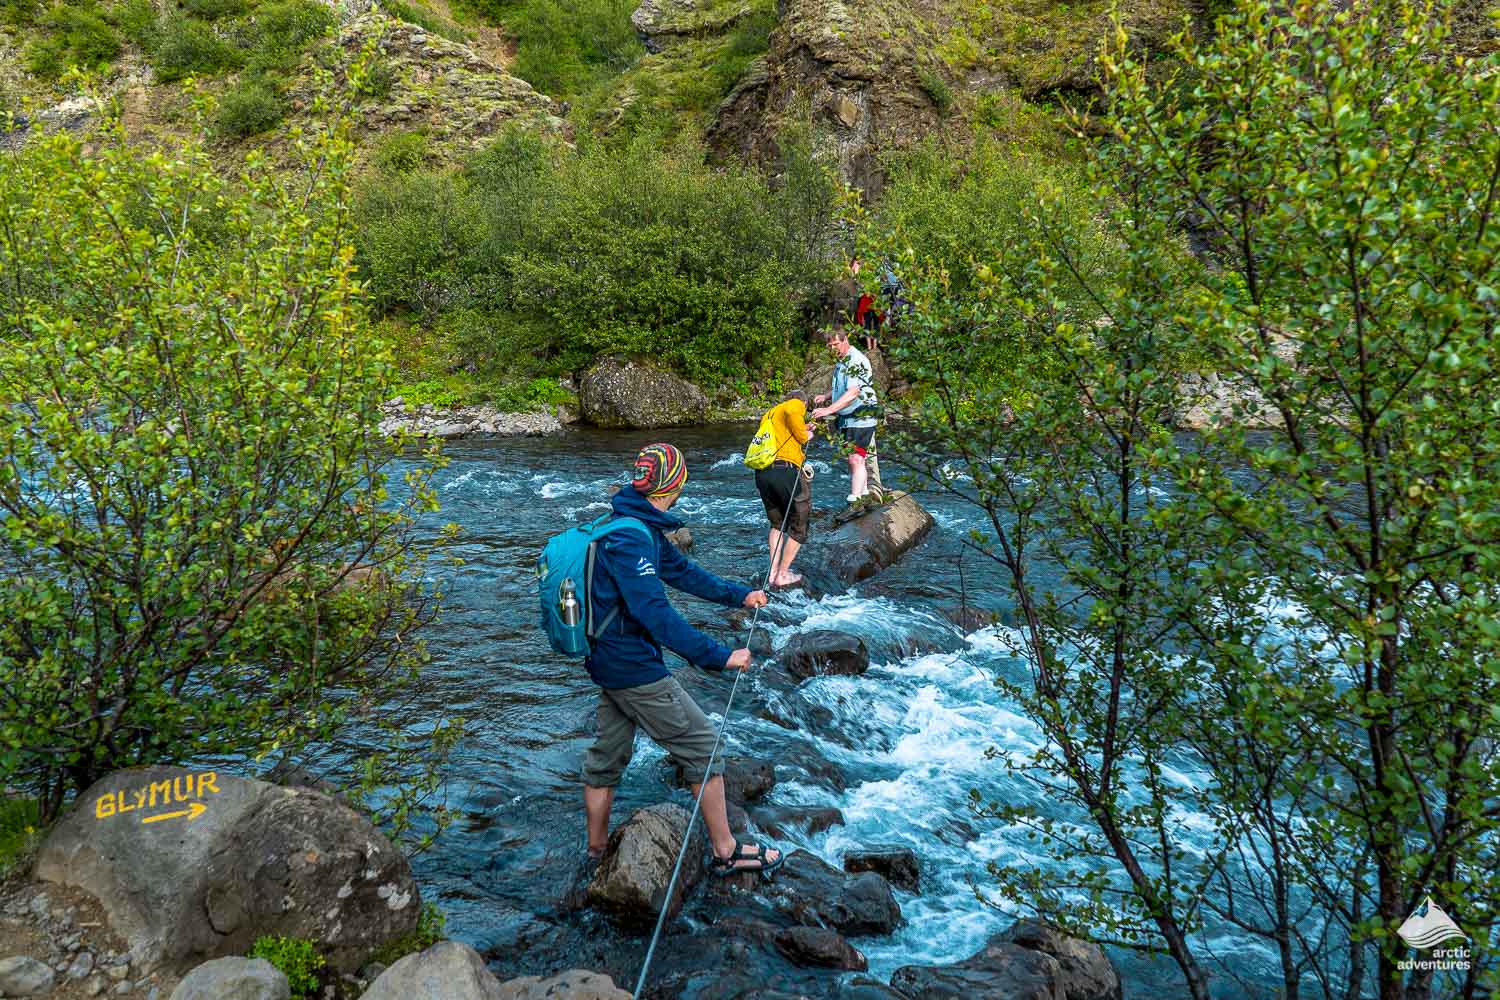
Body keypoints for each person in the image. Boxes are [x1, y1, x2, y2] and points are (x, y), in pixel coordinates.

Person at [580, 442, 784, 877]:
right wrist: (719, 656)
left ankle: (595, 852)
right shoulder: (630, 538)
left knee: (606, 756)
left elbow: (683, 573)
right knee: (703, 748)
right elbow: (654, 616)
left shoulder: (634, 523)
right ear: (674, 485)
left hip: (608, 661)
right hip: (633, 666)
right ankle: (726, 851)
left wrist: (739, 595)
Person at [810, 327, 883, 513]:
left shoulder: (855, 360)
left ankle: (855, 501)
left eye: (835, 344)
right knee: (855, 459)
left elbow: (853, 391)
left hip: (861, 416)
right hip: (848, 417)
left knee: (856, 459)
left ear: (845, 340)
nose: (833, 348)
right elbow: (842, 387)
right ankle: (864, 494)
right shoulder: (841, 361)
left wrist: (829, 409)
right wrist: (826, 396)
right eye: (830, 346)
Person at [753, 391, 816, 588]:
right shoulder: (795, 405)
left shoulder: (770, 413)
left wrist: (801, 428)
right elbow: (793, 413)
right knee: (799, 525)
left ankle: (771, 574)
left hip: (763, 472)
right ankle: (782, 574)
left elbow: (783, 434)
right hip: (785, 472)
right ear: (803, 402)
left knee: (777, 524)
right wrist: (807, 434)